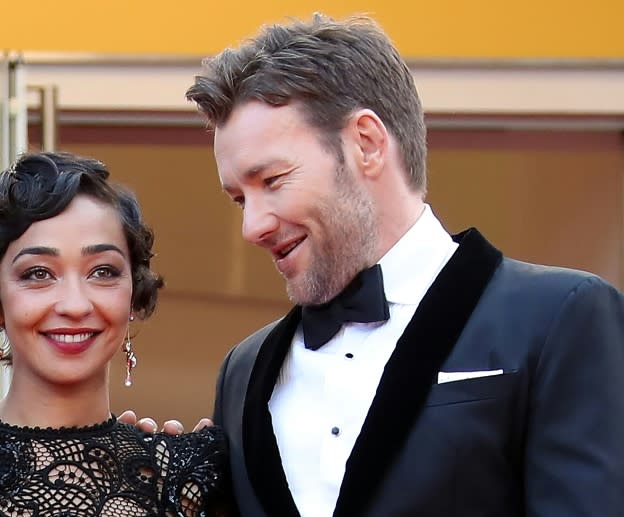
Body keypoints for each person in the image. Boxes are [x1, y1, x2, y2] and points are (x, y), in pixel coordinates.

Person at [178, 13, 624, 517]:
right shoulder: (243, 369)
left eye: (273, 181)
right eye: (240, 199)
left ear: (365, 143)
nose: (252, 227)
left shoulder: (561, 316)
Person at [0, 152, 234, 516]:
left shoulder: (189, 479)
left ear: (133, 295)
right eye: (38, 273)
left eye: (102, 271)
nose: (74, 304)